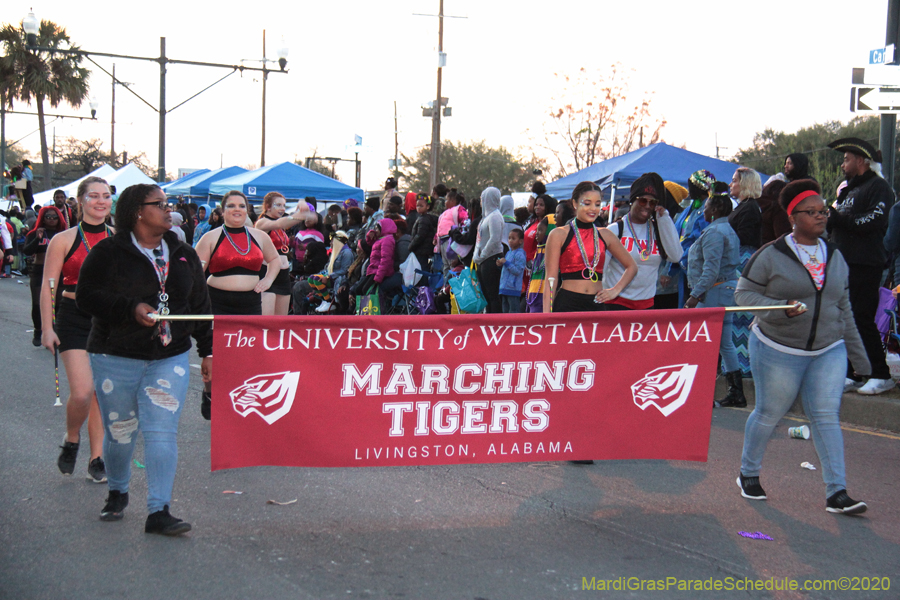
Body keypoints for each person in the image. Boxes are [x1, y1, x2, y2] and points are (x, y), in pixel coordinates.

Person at [76, 183, 213, 534]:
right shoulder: (108, 252)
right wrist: (129, 308)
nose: (169, 210)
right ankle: (118, 490)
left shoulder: (183, 253)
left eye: (168, 204)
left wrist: (207, 350)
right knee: (121, 433)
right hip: (115, 355)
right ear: (138, 211)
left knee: (161, 430)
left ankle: (158, 510)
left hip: (169, 356)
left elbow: (198, 306)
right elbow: (86, 296)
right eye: (159, 205)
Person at [734, 179, 869, 515]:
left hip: (828, 348)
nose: (822, 217)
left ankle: (837, 492)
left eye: (824, 211)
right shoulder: (771, 254)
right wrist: (780, 306)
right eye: (812, 212)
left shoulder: (836, 255)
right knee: (769, 413)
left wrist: (859, 357)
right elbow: (743, 296)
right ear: (794, 217)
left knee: (826, 416)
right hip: (778, 348)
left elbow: (843, 307)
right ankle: (748, 473)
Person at [40, 176, 111, 483]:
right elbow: (48, 286)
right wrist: (46, 327)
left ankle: (97, 458)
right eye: (93, 196)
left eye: (106, 196)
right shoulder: (64, 239)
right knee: (82, 392)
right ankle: (72, 438)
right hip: (73, 315)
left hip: (108, 320)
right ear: (81, 200)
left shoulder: (119, 238)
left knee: (100, 394)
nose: (100, 201)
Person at [195, 190, 280, 419]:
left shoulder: (259, 236)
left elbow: (274, 261)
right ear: (223, 211)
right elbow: (193, 273)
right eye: (231, 205)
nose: (237, 210)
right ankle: (210, 392)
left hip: (250, 304)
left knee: (246, 357)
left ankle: (241, 403)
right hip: (217, 303)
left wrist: (268, 280)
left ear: (247, 210)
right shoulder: (210, 237)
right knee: (215, 357)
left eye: (241, 206)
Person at [826, 137, 895, 395]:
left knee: (862, 318)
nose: (843, 164)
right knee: (843, 319)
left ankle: (880, 373)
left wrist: (838, 218)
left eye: (846, 159)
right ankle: (853, 373)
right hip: (843, 263)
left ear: (861, 161)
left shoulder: (879, 187)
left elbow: (872, 221)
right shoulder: (848, 190)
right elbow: (837, 220)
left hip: (865, 263)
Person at [685, 183, 743, 407]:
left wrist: (696, 295)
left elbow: (711, 268)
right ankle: (736, 391)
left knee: (703, 340)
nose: (704, 210)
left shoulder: (715, 233)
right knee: (724, 342)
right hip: (723, 289)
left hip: (714, 291)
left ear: (716, 210)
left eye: (707, 206)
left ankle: (699, 389)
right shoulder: (726, 230)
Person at [543, 181, 637, 313]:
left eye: (597, 204)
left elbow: (632, 266)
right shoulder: (559, 234)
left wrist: (615, 291)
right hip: (567, 304)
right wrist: (546, 319)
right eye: (587, 203)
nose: (593, 208)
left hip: (596, 304)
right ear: (575, 203)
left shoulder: (606, 234)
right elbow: (550, 280)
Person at [603, 173, 683, 310]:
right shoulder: (615, 230)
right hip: (616, 303)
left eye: (652, 202)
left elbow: (676, 256)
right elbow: (601, 268)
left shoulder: (658, 231)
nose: (647, 206)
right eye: (642, 201)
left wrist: (664, 218)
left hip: (646, 305)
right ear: (632, 201)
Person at [728, 167, 763, 378]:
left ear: (745, 184)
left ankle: (742, 365)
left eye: (734, 180)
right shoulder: (744, 207)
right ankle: (736, 364)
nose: (731, 184)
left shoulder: (749, 209)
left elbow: (743, 238)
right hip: (740, 260)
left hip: (743, 262)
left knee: (740, 313)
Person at [254, 192, 308, 316]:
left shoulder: (281, 226)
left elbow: (283, 223)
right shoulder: (262, 223)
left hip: (283, 274)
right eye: (278, 205)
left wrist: (303, 206)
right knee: (267, 321)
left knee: (281, 322)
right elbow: (280, 223)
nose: (282, 209)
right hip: (267, 273)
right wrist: (299, 213)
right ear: (268, 207)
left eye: (284, 205)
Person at [666, 170, 714, 306]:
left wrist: (684, 256)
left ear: (700, 188)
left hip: (695, 264)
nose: (689, 190)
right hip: (682, 263)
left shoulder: (709, 208)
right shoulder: (689, 208)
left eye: (692, 187)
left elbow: (700, 237)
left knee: (694, 304)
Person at [23, 206, 66, 346]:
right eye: (48, 217)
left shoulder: (63, 234)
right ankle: (37, 329)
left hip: (59, 270)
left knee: (58, 303)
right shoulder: (35, 233)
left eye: (55, 217)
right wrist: (37, 238)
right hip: (39, 270)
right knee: (37, 303)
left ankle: (55, 332)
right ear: (42, 218)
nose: (52, 220)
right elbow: (27, 251)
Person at [474, 187, 505, 313]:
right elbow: (480, 240)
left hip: (491, 259)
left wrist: (483, 254)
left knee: (493, 294)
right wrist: (476, 255)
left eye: (483, 199)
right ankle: (489, 320)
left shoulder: (495, 216)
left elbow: (495, 239)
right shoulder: (485, 218)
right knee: (486, 294)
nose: (481, 202)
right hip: (483, 260)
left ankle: (495, 321)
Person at [408, 194, 439, 277]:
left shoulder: (424, 219)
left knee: (422, 270)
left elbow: (420, 235)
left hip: (422, 250)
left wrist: (411, 246)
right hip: (424, 250)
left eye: (421, 206)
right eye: (417, 205)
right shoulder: (423, 218)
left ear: (428, 207)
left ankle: (424, 287)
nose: (418, 207)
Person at [498, 228, 526, 313]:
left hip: (513, 288)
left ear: (520, 241)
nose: (510, 241)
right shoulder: (508, 253)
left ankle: (514, 326)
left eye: (513, 238)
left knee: (513, 311)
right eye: (509, 238)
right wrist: (500, 265)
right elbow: (506, 269)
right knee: (505, 311)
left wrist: (506, 263)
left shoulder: (520, 254)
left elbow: (518, 270)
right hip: (504, 287)